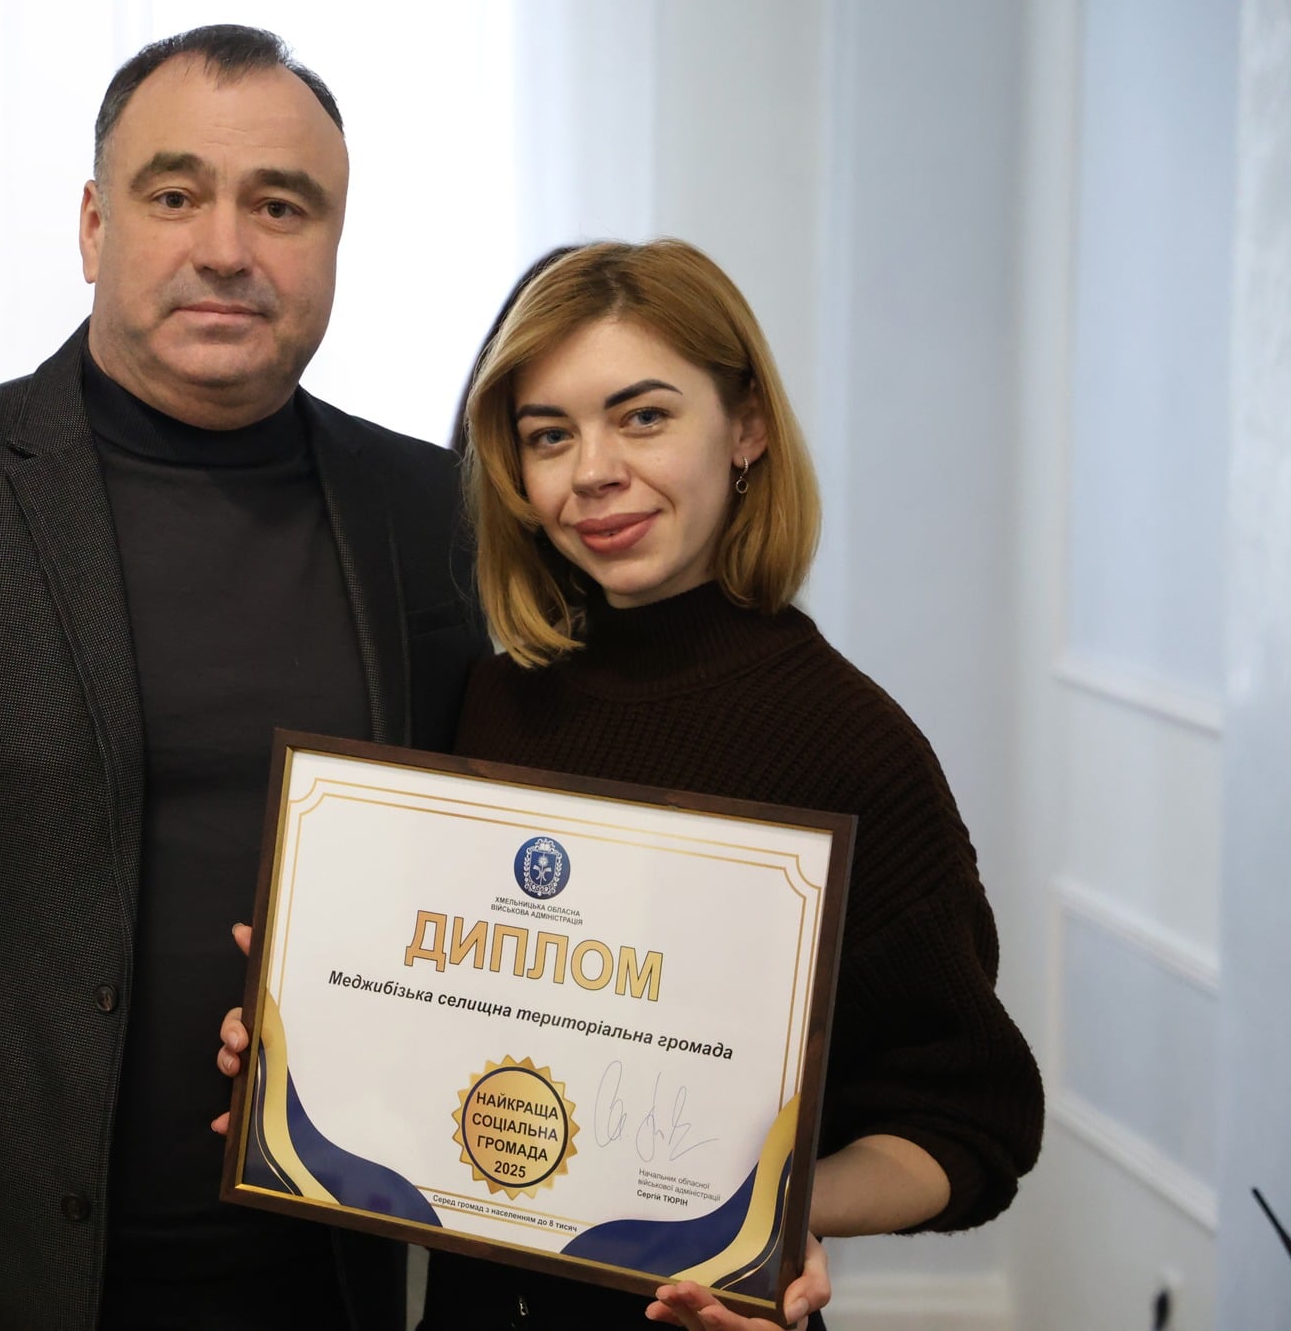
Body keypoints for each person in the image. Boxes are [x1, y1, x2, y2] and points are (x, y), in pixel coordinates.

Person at [0, 25, 484, 1331]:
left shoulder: (433, 515)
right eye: (174, 194)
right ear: (93, 226)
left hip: (322, 1287)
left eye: (280, 205)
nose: (225, 247)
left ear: (334, 240)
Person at [216, 239, 1043, 1330]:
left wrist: (778, 1218)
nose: (592, 471)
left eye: (642, 416)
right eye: (548, 434)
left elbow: (969, 1123)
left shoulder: (850, 743)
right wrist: (308, 1045)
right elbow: (448, 1041)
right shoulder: (490, 701)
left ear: (746, 428)